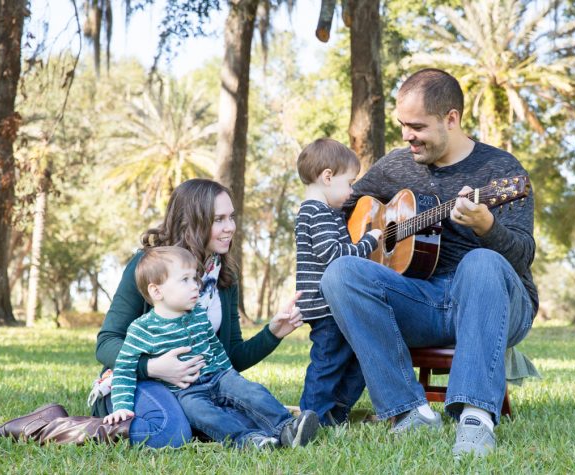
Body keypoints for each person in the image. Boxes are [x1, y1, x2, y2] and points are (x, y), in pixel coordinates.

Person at [319, 69, 538, 457]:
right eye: (403, 125)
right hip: (420, 299)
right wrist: (371, 233)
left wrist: (488, 228)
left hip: (494, 301)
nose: (407, 136)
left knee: (481, 262)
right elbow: (346, 209)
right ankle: (408, 411)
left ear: (451, 119)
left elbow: (522, 257)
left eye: (416, 126)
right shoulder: (395, 167)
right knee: (341, 273)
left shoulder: (503, 172)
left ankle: (475, 417)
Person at [0, 179, 305, 447]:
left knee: (230, 413)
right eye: (219, 219)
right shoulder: (148, 268)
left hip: (195, 386)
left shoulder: (223, 276)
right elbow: (107, 343)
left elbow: (229, 356)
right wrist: (154, 367)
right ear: (192, 222)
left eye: (231, 217)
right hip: (136, 380)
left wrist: (273, 332)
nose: (230, 227)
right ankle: (48, 424)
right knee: (169, 433)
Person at [104, 245, 318, 449]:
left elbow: (215, 347)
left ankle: (287, 428)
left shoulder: (197, 314)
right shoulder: (142, 329)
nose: (195, 285)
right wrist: (122, 406)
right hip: (186, 392)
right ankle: (247, 440)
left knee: (252, 393)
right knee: (205, 415)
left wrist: (230, 375)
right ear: (157, 291)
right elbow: (124, 369)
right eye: (185, 280)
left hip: (219, 376)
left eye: (195, 278)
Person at [294, 138, 382, 425]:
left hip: (335, 303)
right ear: (328, 176)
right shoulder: (314, 211)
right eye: (350, 182)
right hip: (324, 304)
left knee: (357, 357)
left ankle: (335, 412)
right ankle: (311, 416)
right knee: (328, 362)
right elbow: (334, 255)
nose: (352, 190)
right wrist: (369, 242)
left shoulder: (328, 213)